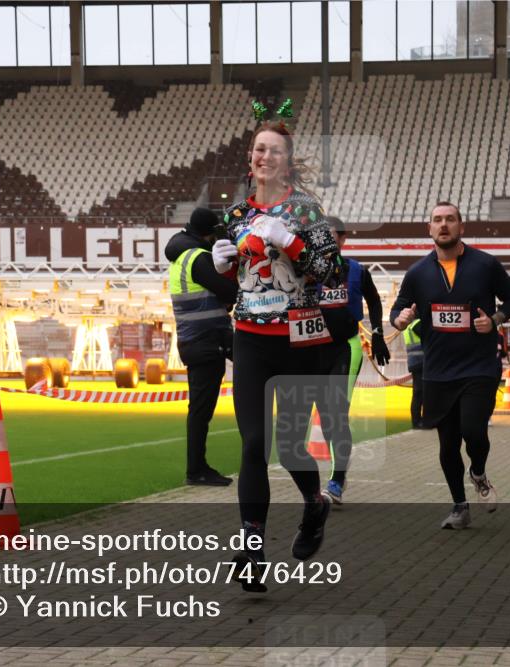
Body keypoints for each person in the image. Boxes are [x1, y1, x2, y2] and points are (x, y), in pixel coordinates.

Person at [212, 114, 345, 591]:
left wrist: (288, 243)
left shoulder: (307, 213)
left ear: (287, 163)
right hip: (249, 339)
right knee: (252, 445)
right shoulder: (235, 215)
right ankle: (251, 548)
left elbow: (331, 275)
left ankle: (315, 504)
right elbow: (239, 281)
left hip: (298, 340)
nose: (262, 156)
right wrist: (223, 266)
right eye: (257, 149)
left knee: (290, 447)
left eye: (272, 150)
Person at [390, 202, 510, 529]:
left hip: (479, 366)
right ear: (429, 228)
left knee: (474, 431)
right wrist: (401, 317)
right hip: (437, 371)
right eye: (437, 220)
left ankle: (477, 471)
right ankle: (459, 506)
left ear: (461, 226)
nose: (444, 225)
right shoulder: (418, 272)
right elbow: (398, 309)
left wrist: (495, 320)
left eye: (450, 219)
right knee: (448, 443)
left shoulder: (485, 265)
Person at [315, 216, 391, 505]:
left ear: (343, 239)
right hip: (312, 349)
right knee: (325, 419)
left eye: (332, 236)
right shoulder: (304, 272)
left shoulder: (357, 271)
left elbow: (373, 300)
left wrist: (379, 333)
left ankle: (336, 481)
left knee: (336, 414)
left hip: (347, 347)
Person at [165, 208, 238, 486]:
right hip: (206, 341)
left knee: (199, 410)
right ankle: (196, 470)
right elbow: (230, 293)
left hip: (199, 340)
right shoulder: (198, 258)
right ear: (209, 233)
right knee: (200, 411)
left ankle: (197, 468)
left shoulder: (183, 257)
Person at [403, 319, 424, 429]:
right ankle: (419, 422)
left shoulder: (408, 325)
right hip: (422, 361)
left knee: (419, 393)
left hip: (415, 362)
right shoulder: (417, 323)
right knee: (420, 392)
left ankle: (418, 421)